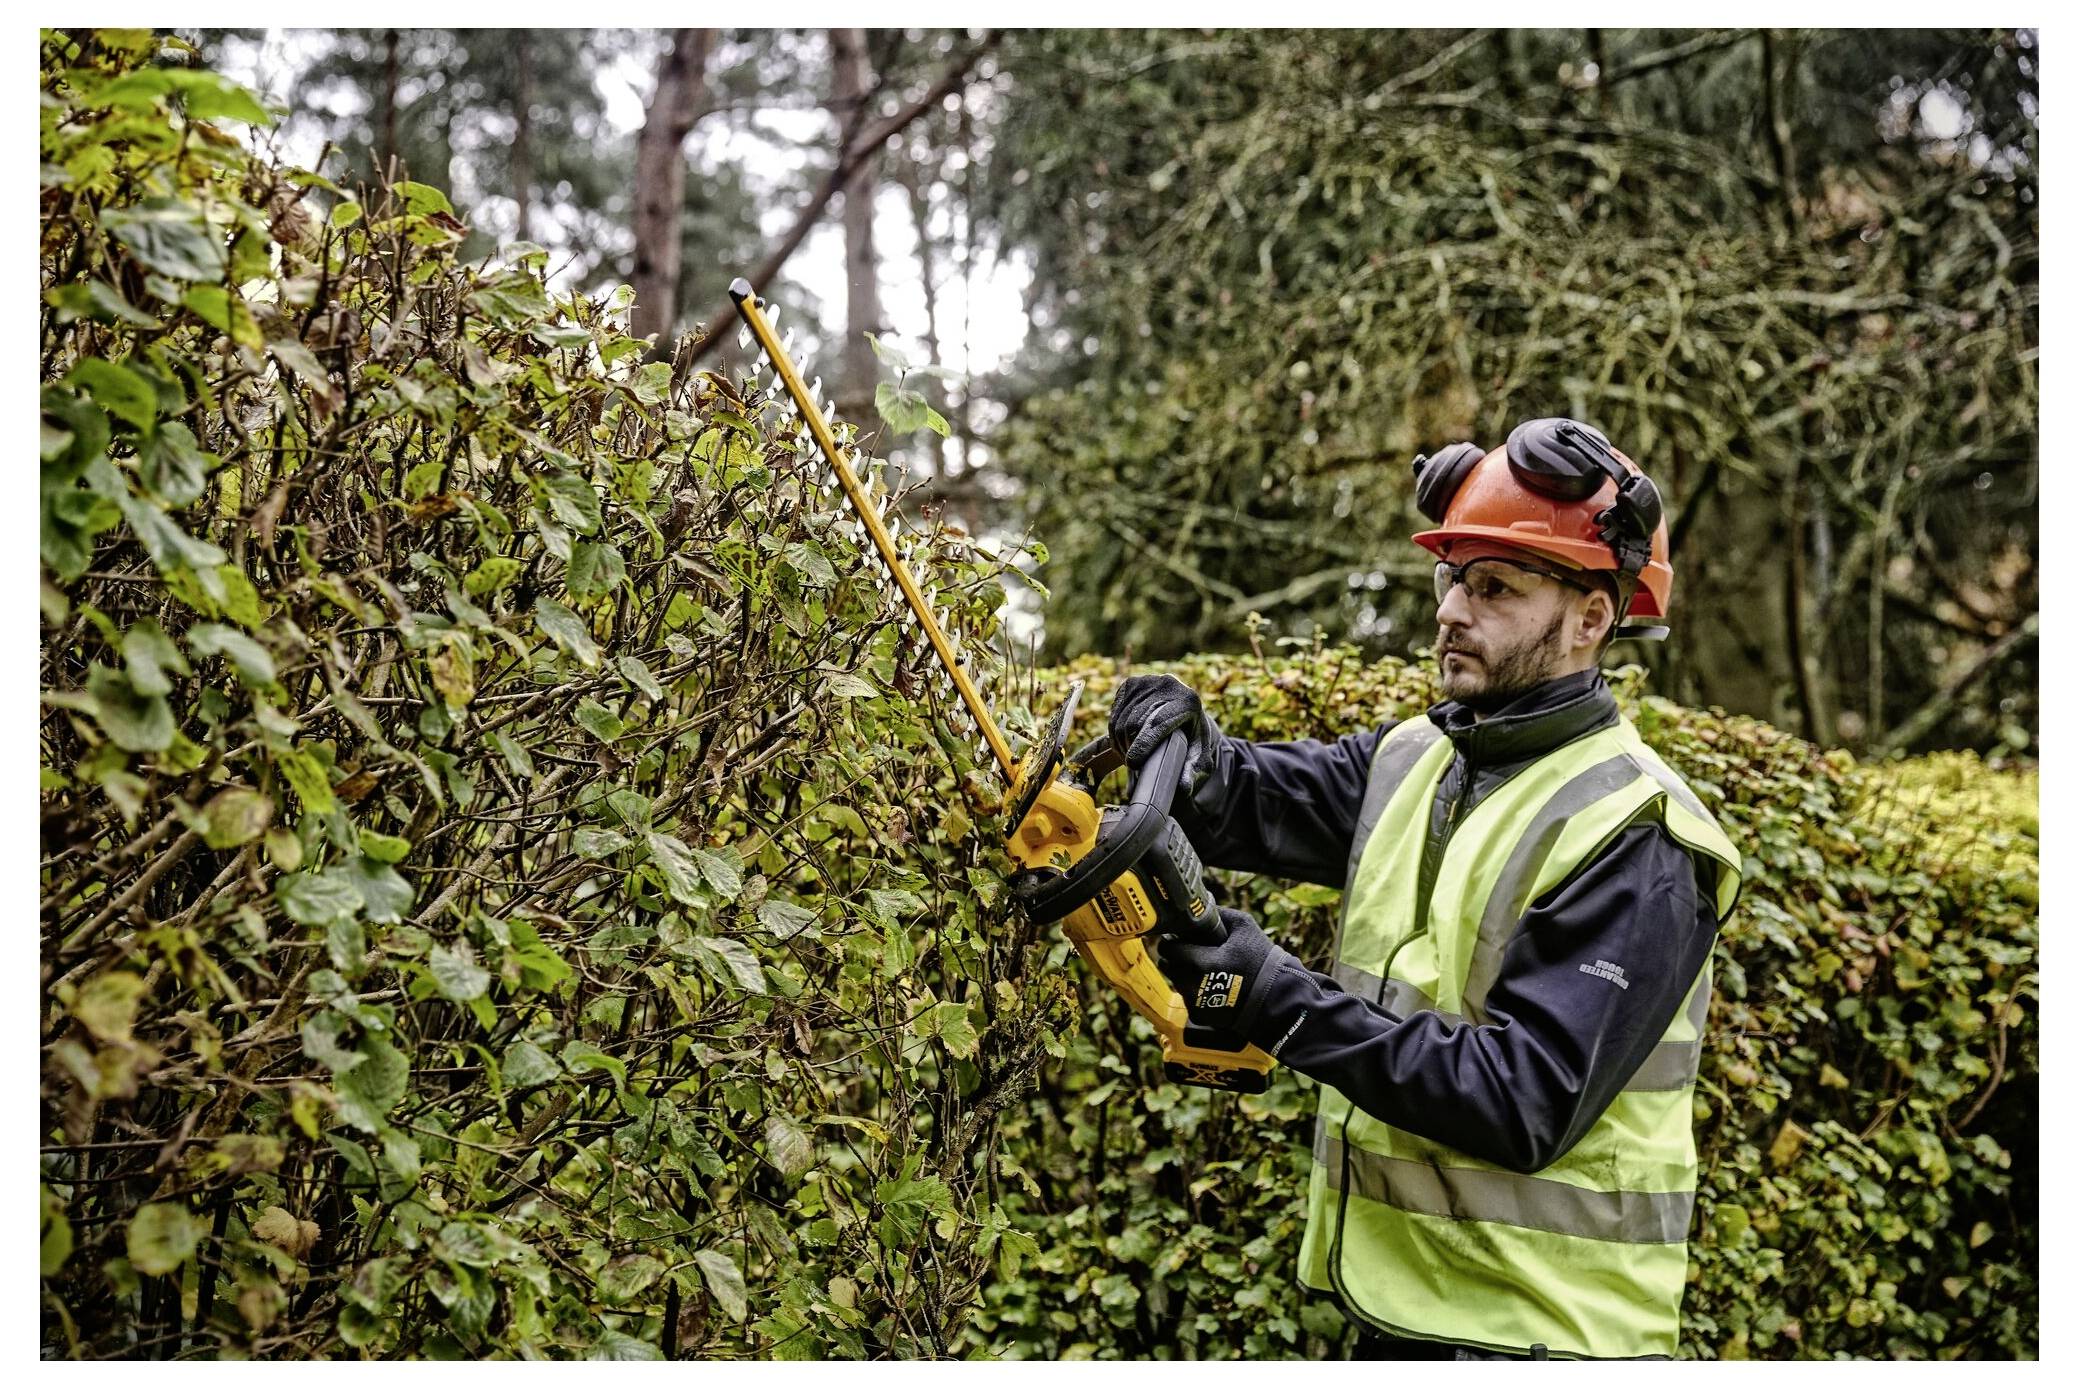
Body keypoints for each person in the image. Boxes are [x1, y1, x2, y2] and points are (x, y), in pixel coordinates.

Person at [1109, 418, 1743, 1361]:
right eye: (1452, 579)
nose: (1451, 611)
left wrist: (1276, 999)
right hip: (1406, 1312)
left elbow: (1523, 1099)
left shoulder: (1639, 834)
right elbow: (1241, 799)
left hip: (1543, 1336)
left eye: (1494, 588)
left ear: (1590, 619)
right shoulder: (1419, 760)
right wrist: (1177, 739)